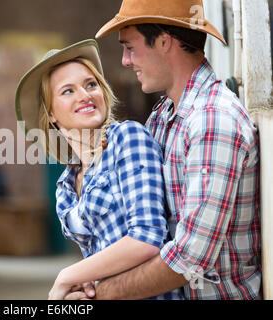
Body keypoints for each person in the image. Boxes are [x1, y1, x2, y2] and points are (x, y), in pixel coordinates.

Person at [65, 0, 261, 300]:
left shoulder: (212, 120)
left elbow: (190, 258)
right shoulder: (164, 116)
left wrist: (99, 294)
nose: (125, 61)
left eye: (130, 47)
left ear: (164, 42)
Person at [15, 39, 183, 300]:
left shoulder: (127, 139)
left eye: (90, 84)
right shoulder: (65, 188)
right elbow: (99, 264)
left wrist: (67, 276)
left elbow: (147, 239)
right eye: (68, 91)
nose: (85, 95)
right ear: (51, 113)